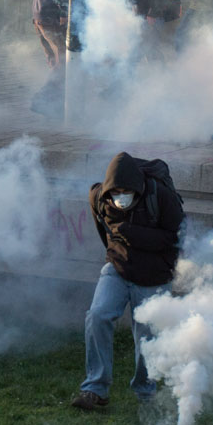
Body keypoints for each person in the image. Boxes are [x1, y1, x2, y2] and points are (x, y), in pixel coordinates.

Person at [72, 152, 184, 411]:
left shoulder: (160, 197)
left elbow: (174, 237)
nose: (121, 196)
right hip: (118, 268)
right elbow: (105, 232)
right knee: (98, 316)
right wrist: (116, 252)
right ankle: (95, 389)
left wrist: (131, 234)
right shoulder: (99, 197)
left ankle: (146, 391)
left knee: (146, 335)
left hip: (155, 274)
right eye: (116, 191)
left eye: (127, 191)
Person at [31, 0, 71, 116]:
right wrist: (64, 12)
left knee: (54, 61)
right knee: (63, 62)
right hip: (51, 17)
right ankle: (43, 100)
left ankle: (54, 105)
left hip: (39, 16)